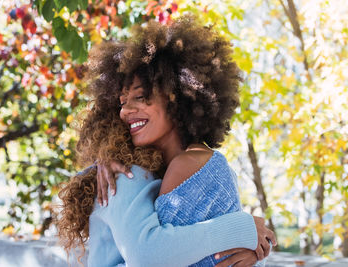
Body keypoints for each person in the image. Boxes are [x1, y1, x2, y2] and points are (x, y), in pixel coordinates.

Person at [57, 15, 276, 266]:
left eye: (140, 97)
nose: (125, 111)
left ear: (177, 96)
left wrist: (251, 249)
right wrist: (240, 229)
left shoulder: (173, 168)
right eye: (122, 101)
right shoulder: (124, 174)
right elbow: (147, 255)